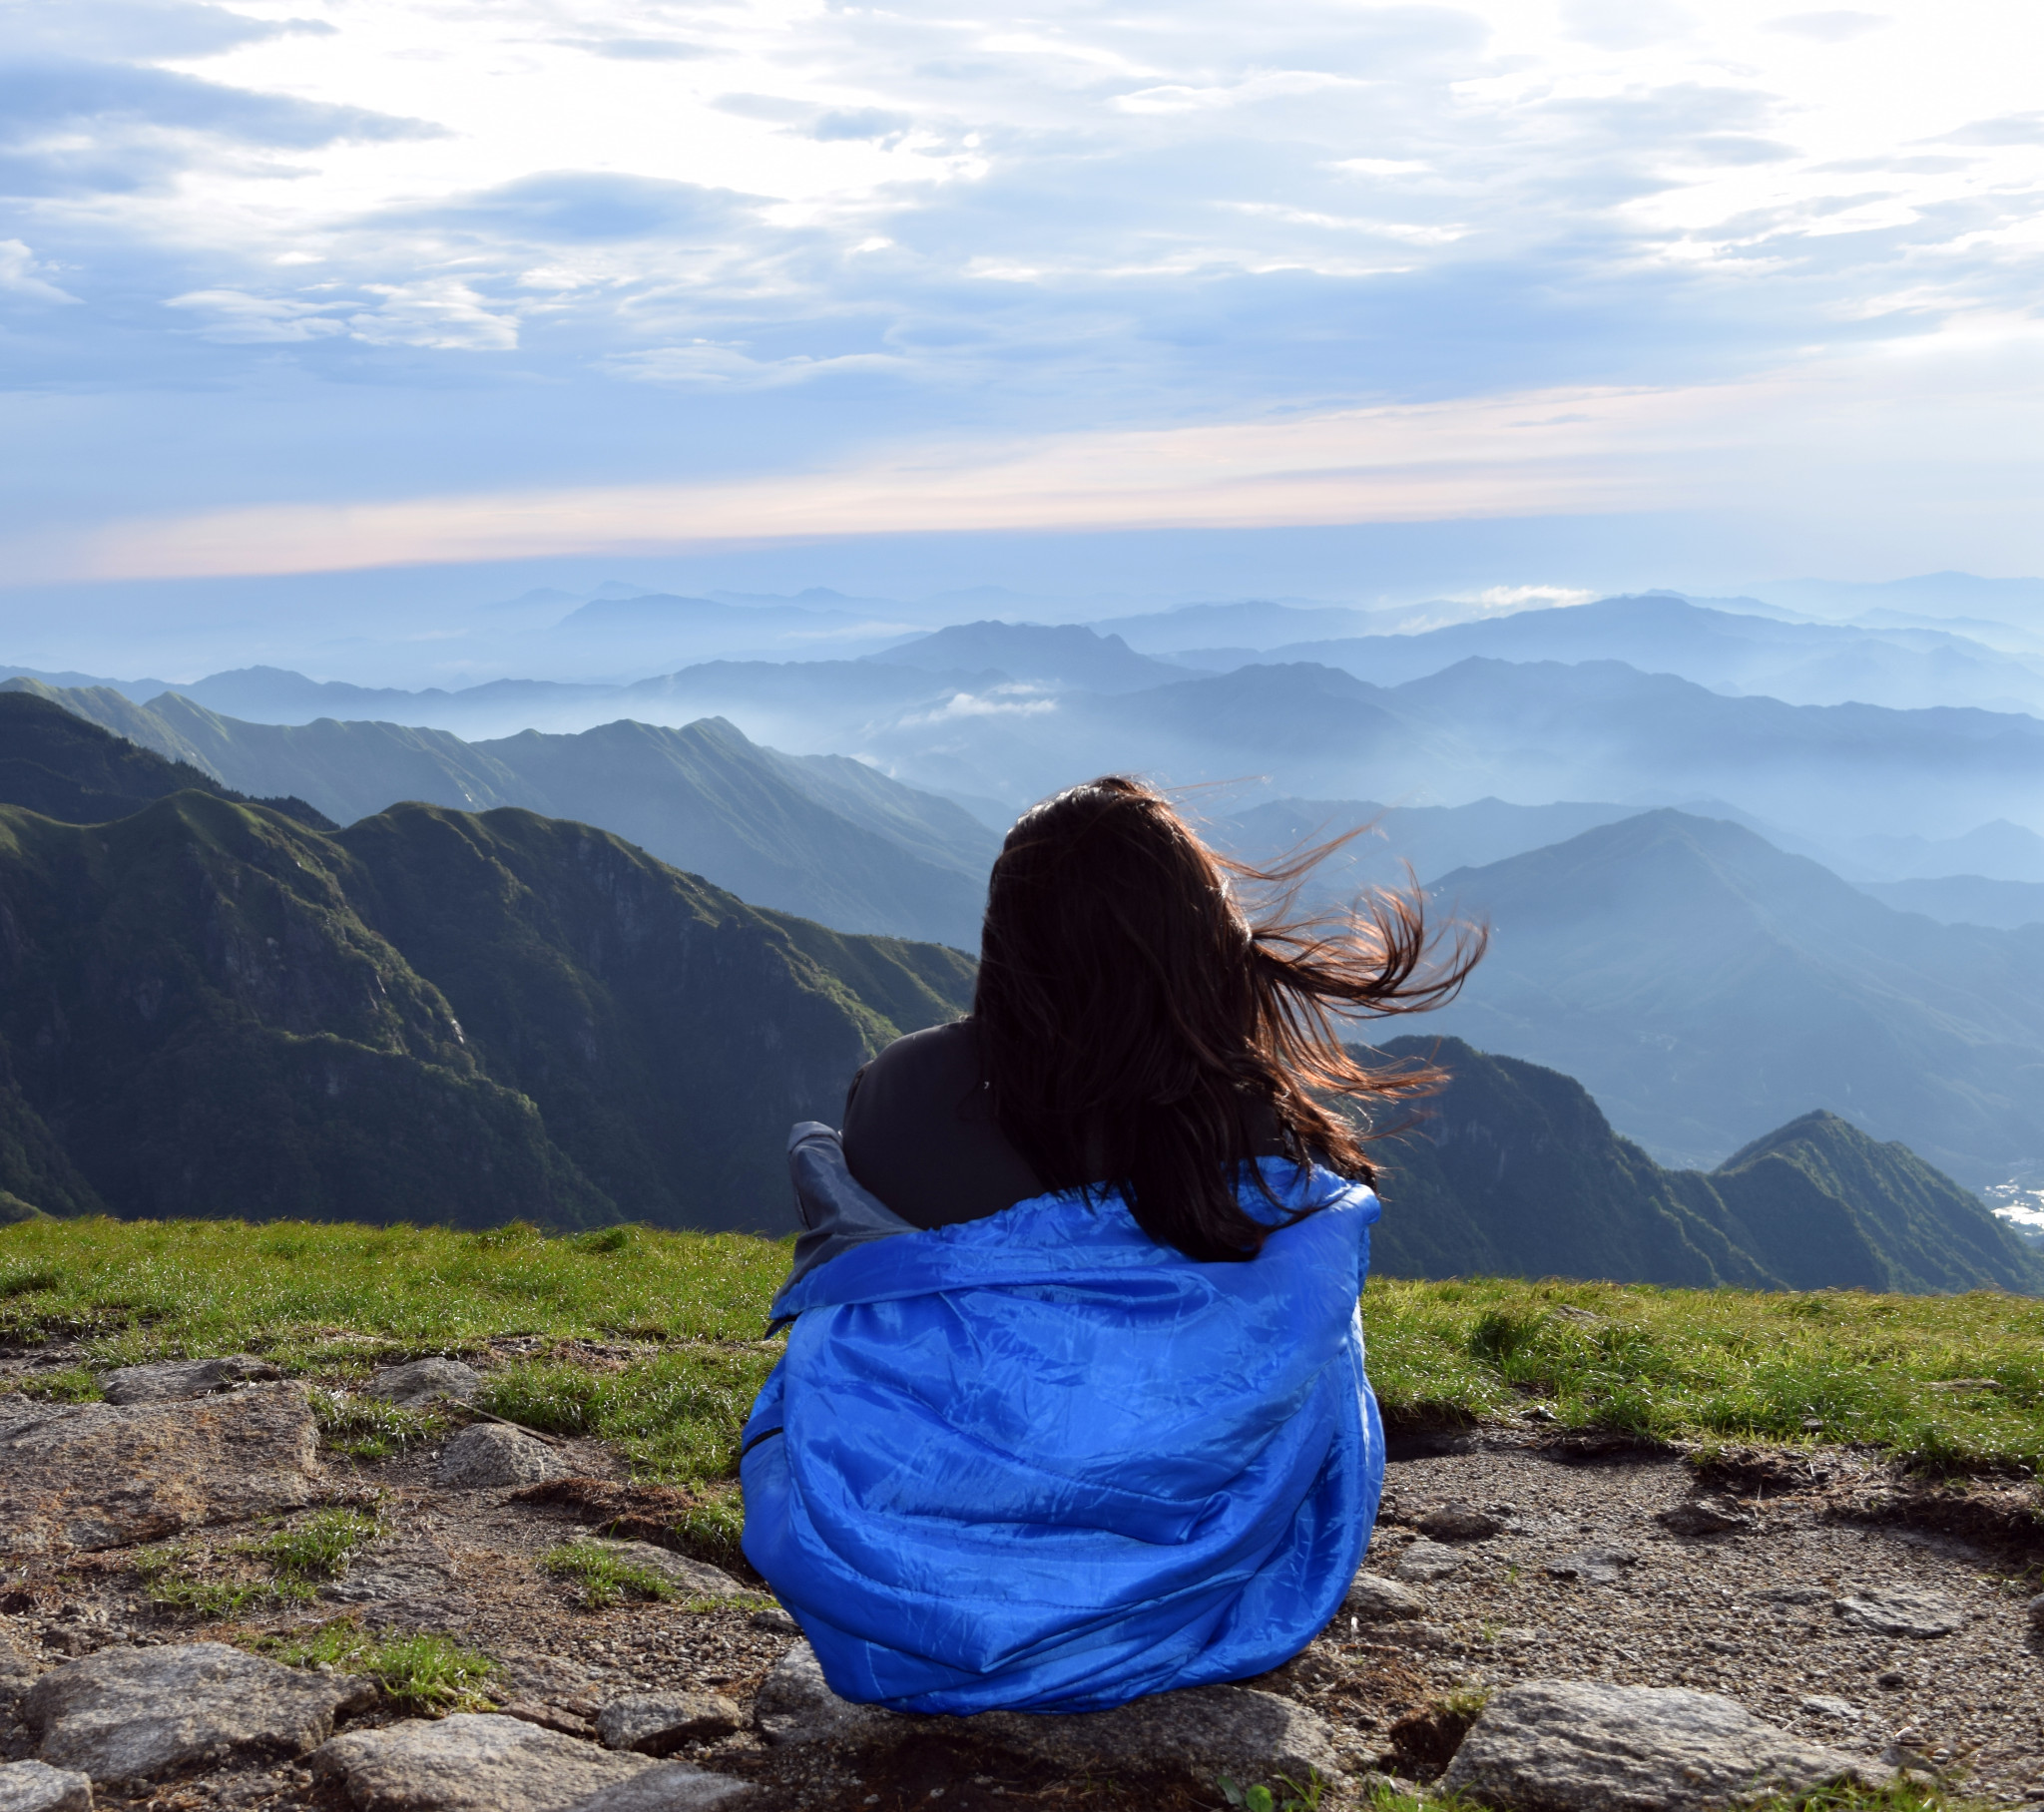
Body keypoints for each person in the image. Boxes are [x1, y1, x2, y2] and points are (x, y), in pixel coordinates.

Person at [741, 775, 1482, 1715]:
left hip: (896, 1585)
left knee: (843, 1315)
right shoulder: (1240, 1120)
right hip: (1176, 1576)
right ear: (1192, 936)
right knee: (1316, 1294)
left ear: (1009, 934)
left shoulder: (901, 1086)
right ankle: (1159, 1595)